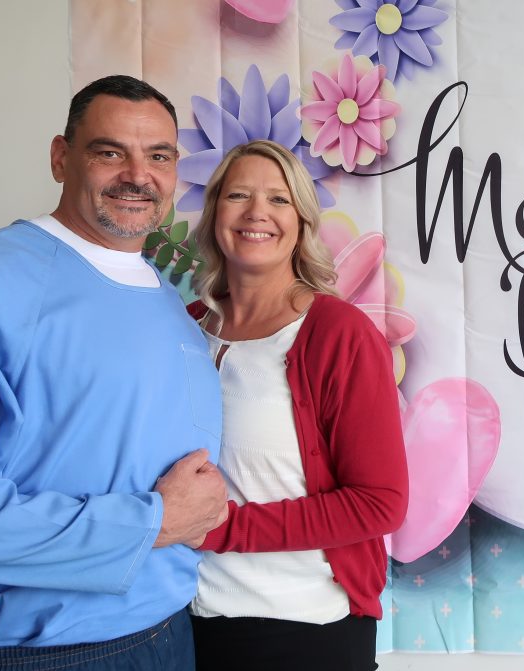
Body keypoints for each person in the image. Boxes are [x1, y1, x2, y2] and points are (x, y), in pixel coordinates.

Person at [0, 75, 228, 671]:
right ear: (60, 158)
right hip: (32, 655)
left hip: (167, 635)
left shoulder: (171, 298)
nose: (137, 175)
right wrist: (150, 523)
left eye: (159, 156)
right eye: (110, 151)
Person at [184, 139, 408, 671]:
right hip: (185, 624)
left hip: (303, 631)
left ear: (302, 222)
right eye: (238, 194)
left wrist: (220, 529)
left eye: (279, 199)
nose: (257, 211)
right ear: (215, 212)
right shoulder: (187, 326)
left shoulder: (337, 334)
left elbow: (380, 502)